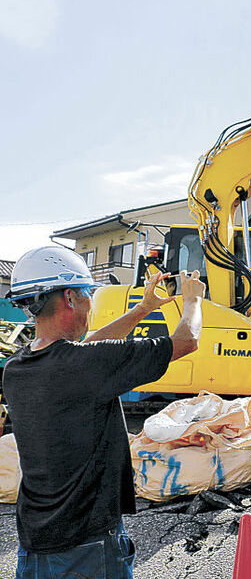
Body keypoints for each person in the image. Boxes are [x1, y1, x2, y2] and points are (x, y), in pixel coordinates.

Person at [3, 246, 205, 578]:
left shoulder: (17, 367)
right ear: (70, 298)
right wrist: (193, 300)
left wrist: (143, 309)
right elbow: (186, 340)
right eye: (88, 295)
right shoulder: (83, 366)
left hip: (35, 540)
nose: (91, 303)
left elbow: (84, 351)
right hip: (86, 546)